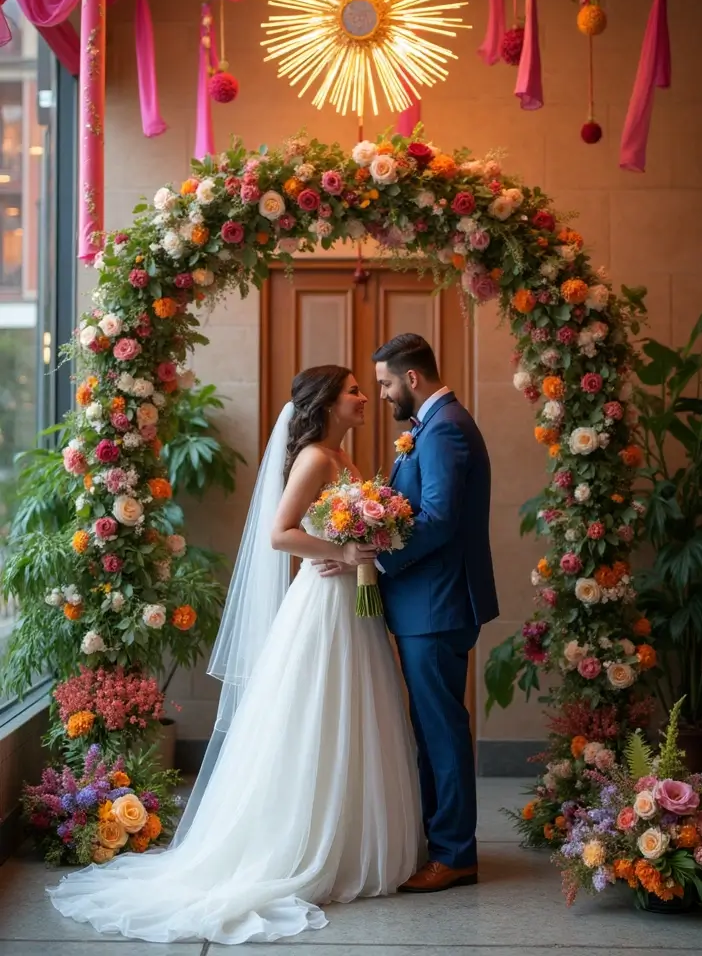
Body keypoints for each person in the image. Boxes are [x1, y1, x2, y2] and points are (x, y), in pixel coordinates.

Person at [49, 365, 423, 946]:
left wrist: (366, 546)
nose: (362, 398)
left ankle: (351, 839)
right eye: (352, 390)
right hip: (323, 604)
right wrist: (346, 551)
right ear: (327, 402)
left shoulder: (343, 459)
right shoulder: (316, 460)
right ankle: (303, 842)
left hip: (352, 604)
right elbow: (281, 533)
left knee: (357, 715)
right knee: (318, 717)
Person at [319, 334, 499, 893]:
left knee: (441, 730)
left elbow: (440, 519)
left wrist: (376, 554)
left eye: (386, 383)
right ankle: (437, 841)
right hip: (428, 603)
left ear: (412, 379)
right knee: (431, 727)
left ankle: (454, 853)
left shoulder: (444, 427)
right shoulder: (434, 425)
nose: (383, 393)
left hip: (438, 604)